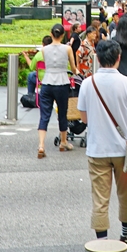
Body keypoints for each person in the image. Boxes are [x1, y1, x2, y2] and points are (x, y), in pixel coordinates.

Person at [76, 39, 127, 245]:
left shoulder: (88, 83)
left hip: (97, 149)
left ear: (98, 58)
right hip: (123, 150)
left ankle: (102, 241)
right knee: (125, 194)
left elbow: (84, 118)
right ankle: (126, 235)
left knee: (100, 198)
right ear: (119, 57)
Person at [36, 23, 77, 158]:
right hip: (62, 83)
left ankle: (41, 145)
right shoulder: (68, 49)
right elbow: (73, 67)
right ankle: (63, 142)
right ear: (63, 35)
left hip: (47, 83)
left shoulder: (44, 49)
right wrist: (76, 71)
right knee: (62, 113)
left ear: (51, 34)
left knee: (44, 115)